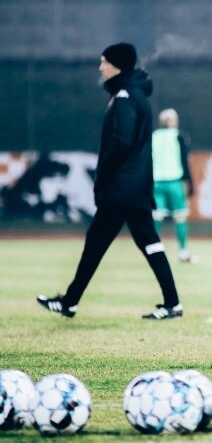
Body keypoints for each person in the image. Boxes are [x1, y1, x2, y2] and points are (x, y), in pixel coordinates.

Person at [36, 43, 182, 320]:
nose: (100, 67)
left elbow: (123, 141)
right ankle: (172, 304)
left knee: (97, 242)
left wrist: (104, 174)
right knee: (147, 242)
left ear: (118, 65)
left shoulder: (125, 95)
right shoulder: (136, 94)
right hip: (135, 186)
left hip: (122, 187)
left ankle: (69, 302)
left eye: (104, 61)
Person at [152, 108, 198, 264]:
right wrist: (190, 183)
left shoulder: (153, 137)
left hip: (156, 183)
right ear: (173, 121)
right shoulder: (179, 136)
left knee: (156, 217)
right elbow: (185, 160)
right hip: (174, 182)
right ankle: (183, 253)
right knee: (180, 217)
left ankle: (153, 252)